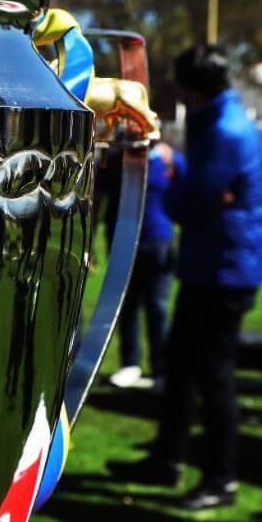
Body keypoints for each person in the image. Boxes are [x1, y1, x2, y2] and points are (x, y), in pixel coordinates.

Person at [107, 44, 262, 510]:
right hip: (212, 261)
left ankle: (221, 478)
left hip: (225, 269)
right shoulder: (220, 121)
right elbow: (202, 197)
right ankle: (167, 459)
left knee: (213, 374)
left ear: (188, 86)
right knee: (180, 367)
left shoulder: (224, 130)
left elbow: (185, 202)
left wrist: (179, 185)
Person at [102, 142, 178, 389]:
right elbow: (99, 197)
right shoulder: (117, 161)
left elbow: (189, 190)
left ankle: (162, 369)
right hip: (123, 241)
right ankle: (130, 363)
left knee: (157, 307)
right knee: (128, 305)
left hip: (157, 240)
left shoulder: (166, 159)